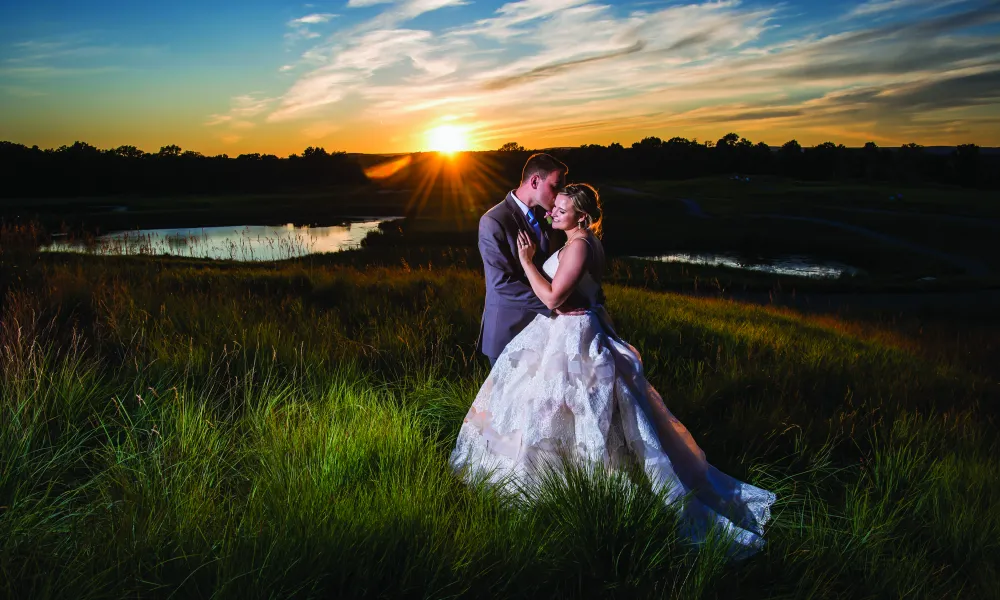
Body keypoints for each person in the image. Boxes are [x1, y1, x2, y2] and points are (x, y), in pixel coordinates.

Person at [452, 183, 776, 557]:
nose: (553, 212)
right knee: (557, 408)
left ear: (582, 217)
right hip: (570, 329)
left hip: (573, 336)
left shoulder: (579, 246)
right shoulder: (582, 242)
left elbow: (554, 298)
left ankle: (576, 486)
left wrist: (526, 262)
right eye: (553, 206)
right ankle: (562, 478)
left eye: (562, 209)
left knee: (567, 406)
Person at [476, 153, 568, 367]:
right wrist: (555, 304)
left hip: (543, 333)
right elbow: (501, 283)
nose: (558, 196)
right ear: (535, 181)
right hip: (508, 333)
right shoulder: (494, 221)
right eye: (555, 187)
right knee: (504, 401)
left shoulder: (549, 216)